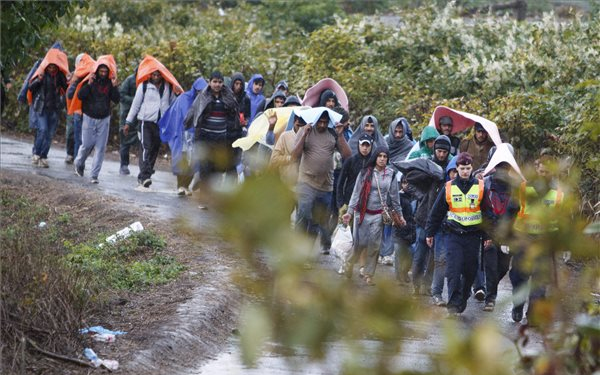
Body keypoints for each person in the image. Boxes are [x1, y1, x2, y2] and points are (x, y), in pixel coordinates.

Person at [425, 152, 488, 315]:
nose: (465, 171)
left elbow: (488, 214)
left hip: (473, 236)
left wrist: (489, 236)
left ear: (472, 168)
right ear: (457, 169)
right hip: (454, 235)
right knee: (453, 270)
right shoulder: (449, 187)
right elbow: (436, 212)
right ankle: (453, 305)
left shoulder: (480, 187)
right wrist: (430, 233)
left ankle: (464, 295)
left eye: (468, 168)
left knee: (470, 271)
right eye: (462, 168)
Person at [510, 154, 563, 325]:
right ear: (536, 170)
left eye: (547, 172)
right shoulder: (524, 188)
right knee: (519, 276)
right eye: (541, 171)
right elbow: (510, 213)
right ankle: (518, 305)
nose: (543, 175)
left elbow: (563, 220)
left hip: (544, 242)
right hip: (523, 240)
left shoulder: (558, 194)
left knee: (540, 280)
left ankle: (532, 315)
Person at [292, 109, 352, 255]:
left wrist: (340, 135)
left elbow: (348, 155)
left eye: (326, 122)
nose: (323, 125)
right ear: (316, 119)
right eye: (320, 122)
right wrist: (304, 134)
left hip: (326, 186)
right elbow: (294, 155)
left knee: (315, 222)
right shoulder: (306, 130)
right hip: (306, 182)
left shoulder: (333, 133)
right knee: (303, 215)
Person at [342, 147, 405, 285]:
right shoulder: (365, 172)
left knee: (374, 246)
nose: (382, 159)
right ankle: (349, 262)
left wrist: (400, 215)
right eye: (380, 156)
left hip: (378, 214)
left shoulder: (391, 174)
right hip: (362, 213)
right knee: (360, 244)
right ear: (375, 157)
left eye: (385, 156)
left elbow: (395, 197)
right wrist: (349, 212)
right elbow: (356, 193)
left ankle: (369, 275)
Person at [410, 135, 452, 300]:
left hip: (441, 220)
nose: (441, 154)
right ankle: (416, 284)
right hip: (423, 217)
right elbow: (410, 180)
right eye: (439, 151)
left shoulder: (451, 168)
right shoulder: (427, 165)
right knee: (420, 254)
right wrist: (422, 195)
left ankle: (428, 286)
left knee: (436, 257)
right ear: (434, 150)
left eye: (444, 151)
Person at [184, 71, 242, 187]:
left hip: (221, 138)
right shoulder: (202, 96)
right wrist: (187, 124)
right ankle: (204, 198)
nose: (217, 85)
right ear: (209, 82)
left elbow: (234, 116)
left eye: (220, 82)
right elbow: (193, 111)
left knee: (217, 170)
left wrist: (234, 133)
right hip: (204, 137)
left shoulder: (229, 97)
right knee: (205, 168)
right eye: (214, 82)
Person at [480, 160, 520, 312]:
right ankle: (490, 299)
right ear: (495, 168)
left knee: (503, 267)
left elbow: (517, 211)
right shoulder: (486, 184)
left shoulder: (515, 188)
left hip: (508, 234)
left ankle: (489, 287)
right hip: (490, 231)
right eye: (500, 168)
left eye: (505, 168)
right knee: (490, 265)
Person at [126, 69, 176, 187]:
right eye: (154, 74)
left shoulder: (168, 87)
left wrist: (177, 93)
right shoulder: (144, 86)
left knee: (154, 150)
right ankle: (145, 176)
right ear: (150, 75)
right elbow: (135, 105)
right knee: (146, 148)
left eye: (158, 75)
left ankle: (144, 175)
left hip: (160, 123)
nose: (156, 77)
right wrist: (128, 121)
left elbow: (173, 103)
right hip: (145, 121)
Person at [159, 77, 208, 195]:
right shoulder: (183, 98)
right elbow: (175, 115)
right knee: (182, 159)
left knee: (193, 161)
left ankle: (186, 186)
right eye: (198, 90)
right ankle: (180, 185)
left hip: (195, 135)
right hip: (182, 135)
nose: (199, 93)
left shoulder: (205, 100)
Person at [74, 59, 120, 183]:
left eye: (106, 71)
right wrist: (89, 84)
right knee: (87, 145)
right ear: (97, 70)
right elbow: (80, 96)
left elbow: (116, 99)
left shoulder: (111, 83)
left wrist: (115, 87)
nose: (103, 73)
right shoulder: (90, 81)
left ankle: (94, 175)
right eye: (101, 71)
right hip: (89, 117)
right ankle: (79, 163)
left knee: (100, 148)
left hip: (104, 118)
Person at [28, 63, 68, 168]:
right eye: (50, 67)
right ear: (47, 67)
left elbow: (66, 88)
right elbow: (31, 88)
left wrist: (69, 79)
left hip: (54, 109)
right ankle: (36, 153)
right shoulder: (42, 74)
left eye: (54, 67)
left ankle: (44, 156)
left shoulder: (60, 76)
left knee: (49, 135)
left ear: (57, 67)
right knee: (43, 130)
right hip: (42, 108)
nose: (51, 69)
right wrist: (39, 79)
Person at [269, 111, 307, 188]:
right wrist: (290, 158)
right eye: (298, 126)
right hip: (288, 184)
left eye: (303, 126)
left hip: (307, 185)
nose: (300, 129)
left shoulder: (310, 136)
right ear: (294, 122)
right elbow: (274, 159)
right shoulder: (285, 136)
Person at [336, 134, 373, 211]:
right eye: (362, 145)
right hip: (349, 201)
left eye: (367, 145)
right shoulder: (350, 160)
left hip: (368, 203)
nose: (365, 148)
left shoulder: (373, 162)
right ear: (358, 145)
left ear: (371, 146)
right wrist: (341, 203)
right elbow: (340, 183)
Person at [393, 174, 417, 284]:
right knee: (399, 252)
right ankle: (398, 277)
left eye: (409, 182)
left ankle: (404, 271)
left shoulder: (417, 196)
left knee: (411, 253)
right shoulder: (398, 196)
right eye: (404, 182)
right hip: (400, 229)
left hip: (412, 230)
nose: (406, 185)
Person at [118, 67, 139, 175]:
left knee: (142, 142)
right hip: (126, 114)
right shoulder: (130, 80)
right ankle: (124, 165)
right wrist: (135, 100)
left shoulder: (146, 82)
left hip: (139, 116)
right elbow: (121, 95)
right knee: (125, 141)